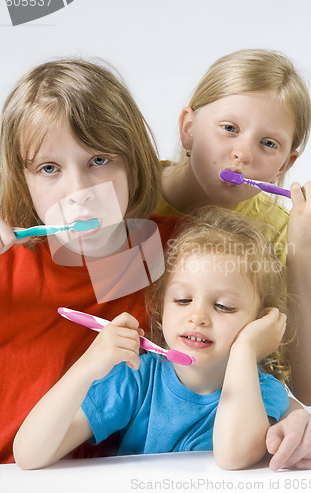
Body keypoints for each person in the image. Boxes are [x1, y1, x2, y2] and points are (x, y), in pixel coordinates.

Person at [12, 207, 311, 471]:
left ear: (260, 322)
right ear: (162, 306)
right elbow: (29, 455)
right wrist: (87, 368)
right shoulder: (136, 378)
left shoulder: (261, 391)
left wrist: (246, 349)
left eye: (223, 306)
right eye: (182, 300)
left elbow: (234, 457)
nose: (198, 317)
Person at [0, 58, 178, 464]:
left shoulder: (177, 249)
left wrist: (287, 415)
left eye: (99, 160)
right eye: (49, 169)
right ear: (22, 185)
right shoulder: (8, 265)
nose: (78, 191)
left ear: (133, 162)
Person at [155, 49, 311, 406]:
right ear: (189, 129)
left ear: (285, 164)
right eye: (229, 129)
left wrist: (307, 249)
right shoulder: (130, 195)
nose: (243, 154)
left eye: (268, 144)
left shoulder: (277, 229)